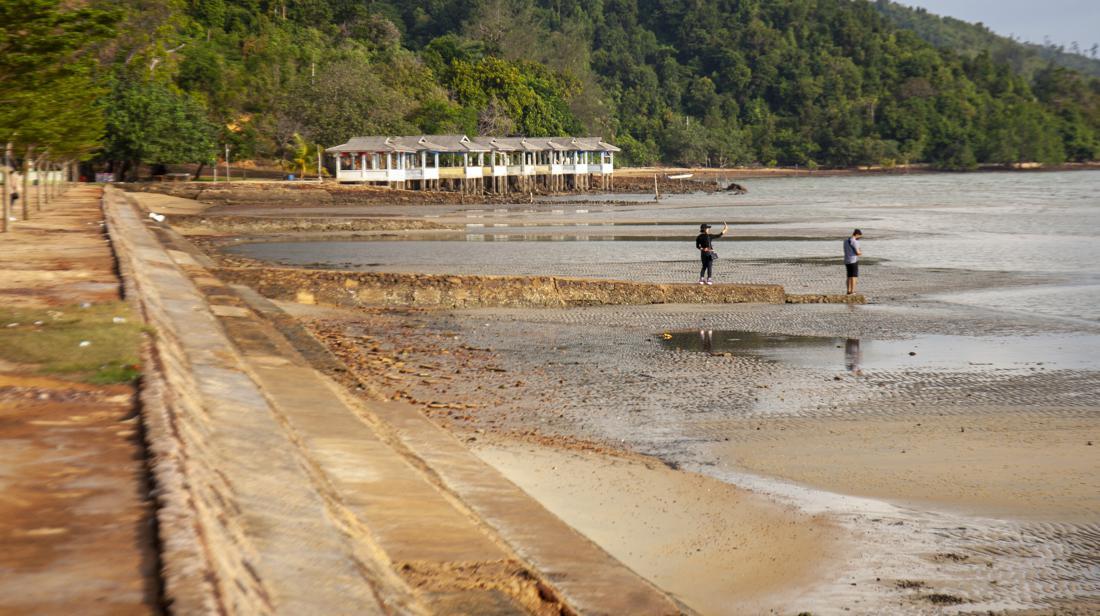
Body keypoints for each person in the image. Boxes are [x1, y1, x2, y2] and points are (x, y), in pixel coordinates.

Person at [844, 228, 863, 294]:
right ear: (857, 234)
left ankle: (848, 291)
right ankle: (853, 291)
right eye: (859, 236)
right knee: (854, 277)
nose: (859, 238)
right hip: (853, 260)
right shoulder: (855, 242)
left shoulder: (845, 241)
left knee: (849, 276)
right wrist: (860, 252)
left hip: (846, 260)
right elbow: (858, 252)